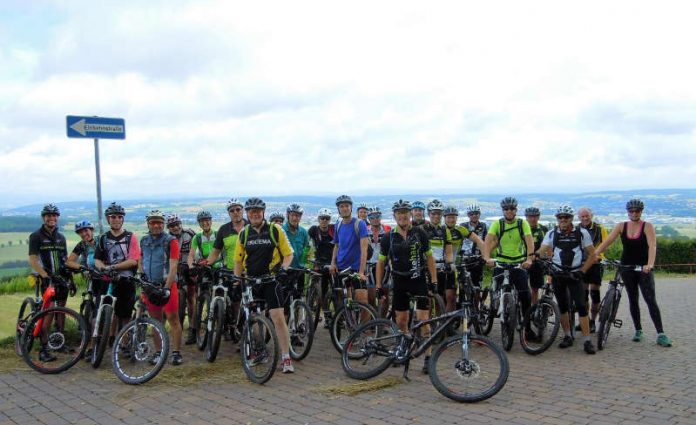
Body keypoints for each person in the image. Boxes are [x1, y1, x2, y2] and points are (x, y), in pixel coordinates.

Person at [595, 199, 672, 347]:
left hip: (643, 268)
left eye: (637, 211)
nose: (634, 213)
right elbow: (608, 241)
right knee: (633, 298)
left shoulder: (647, 226)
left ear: (641, 212)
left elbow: (652, 245)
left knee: (650, 300)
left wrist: (650, 264)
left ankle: (661, 333)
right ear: (627, 212)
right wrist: (597, 253)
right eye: (631, 211)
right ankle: (638, 330)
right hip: (627, 266)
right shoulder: (621, 226)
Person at [375, 200, 438, 374]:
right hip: (399, 281)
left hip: (418, 280)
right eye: (399, 212)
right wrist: (379, 285)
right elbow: (381, 263)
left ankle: (428, 357)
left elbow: (430, 258)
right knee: (401, 321)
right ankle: (403, 349)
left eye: (405, 212)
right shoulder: (388, 237)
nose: (402, 215)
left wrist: (434, 281)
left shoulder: (420, 233)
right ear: (394, 215)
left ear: (410, 214)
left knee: (423, 320)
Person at [234, 198, 296, 372]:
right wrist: (237, 280)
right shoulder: (244, 233)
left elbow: (288, 254)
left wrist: (284, 269)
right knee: (253, 318)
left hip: (271, 280)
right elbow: (238, 260)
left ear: (263, 212)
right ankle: (260, 351)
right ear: (247, 213)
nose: (254, 214)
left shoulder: (274, 230)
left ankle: (285, 357)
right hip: (252, 281)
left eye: (258, 211)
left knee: (278, 317)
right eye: (251, 211)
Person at [538, 205, 597, 354]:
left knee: (582, 307)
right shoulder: (552, 234)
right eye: (560, 217)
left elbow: (593, 255)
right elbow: (542, 249)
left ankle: (587, 340)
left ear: (571, 219)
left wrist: (582, 271)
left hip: (574, 274)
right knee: (563, 307)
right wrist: (533, 256)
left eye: (566, 217)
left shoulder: (582, 233)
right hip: (558, 274)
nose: (563, 220)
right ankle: (567, 336)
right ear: (557, 219)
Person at [483, 197, 535, 340]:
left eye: (512, 208)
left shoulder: (522, 223)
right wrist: (487, 257)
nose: (509, 211)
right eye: (506, 209)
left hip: (518, 263)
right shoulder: (497, 224)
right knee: (495, 292)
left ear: (516, 210)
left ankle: (527, 328)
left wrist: (529, 259)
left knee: (526, 296)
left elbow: (529, 242)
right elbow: (488, 241)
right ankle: (494, 308)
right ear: (503, 210)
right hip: (501, 262)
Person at [28, 204, 73, 362]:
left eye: (54, 215)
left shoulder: (61, 237)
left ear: (57, 217)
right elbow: (33, 259)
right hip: (47, 279)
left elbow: (65, 259)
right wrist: (44, 275)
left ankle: (59, 341)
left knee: (61, 311)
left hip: (61, 278)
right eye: (48, 215)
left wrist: (71, 278)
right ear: (43, 217)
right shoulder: (36, 236)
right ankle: (43, 348)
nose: (51, 218)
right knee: (48, 312)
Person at [139, 210, 184, 365]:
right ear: (148, 224)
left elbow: (173, 267)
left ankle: (177, 352)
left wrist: (167, 288)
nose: (156, 225)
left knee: (173, 319)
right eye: (153, 222)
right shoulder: (144, 240)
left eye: (159, 222)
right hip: (150, 286)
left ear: (163, 224)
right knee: (155, 321)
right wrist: (142, 275)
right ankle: (159, 352)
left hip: (167, 285)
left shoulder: (171, 241)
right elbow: (141, 259)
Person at [95, 202, 140, 335]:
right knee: (107, 311)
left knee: (125, 314)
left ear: (123, 219)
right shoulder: (103, 238)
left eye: (119, 217)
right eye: (113, 217)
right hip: (108, 279)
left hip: (126, 279)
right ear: (108, 219)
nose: (116, 220)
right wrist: (102, 268)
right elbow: (97, 259)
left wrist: (112, 266)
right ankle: (109, 338)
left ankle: (125, 343)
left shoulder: (130, 237)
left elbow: (133, 260)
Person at [330, 195, 370, 319]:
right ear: (338, 209)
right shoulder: (338, 225)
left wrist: (362, 272)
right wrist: (333, 263)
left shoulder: (359, 224)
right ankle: (350, 325)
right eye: (341, 206)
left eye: (347, 206)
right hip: (342, 267)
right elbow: (336, 245)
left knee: (362, 300)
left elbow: (364, 249)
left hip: (356, 268)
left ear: (351, 207)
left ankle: (367, 331)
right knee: (346, 301)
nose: (344, 208)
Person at [66, 220, 101, 359]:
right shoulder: (82, 245)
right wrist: (82, 268)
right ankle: (90, 345)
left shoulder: (101, 241)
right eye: (81, 232)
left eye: (86, 230)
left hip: (105, 278)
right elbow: (69, 261)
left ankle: (105, 340)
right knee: (91, 312)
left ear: (91, 230)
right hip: (92, 279)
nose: (84, 233)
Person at [167, 213, 197, 345]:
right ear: (169, 227)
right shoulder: (166, 239)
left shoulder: (190, 234)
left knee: (191, 299)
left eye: (177, 224)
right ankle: (177, 330)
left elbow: (197, 249)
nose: (175, 227)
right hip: (174, 270)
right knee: (176, 301)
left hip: (189, 269)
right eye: (172, 225)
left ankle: (192, 329)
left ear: (181, 223)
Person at [577, 207, 608, 333]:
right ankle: (585, 320)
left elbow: (605, 244)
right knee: (583, 295)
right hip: (581, 264)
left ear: (591, 215)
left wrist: (597, 255)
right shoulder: (576, 229)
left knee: (595, 294)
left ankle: (593, 321)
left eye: (587, 216)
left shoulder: (600, 228)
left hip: (595, 264)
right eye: (582, 216)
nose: (585, 218)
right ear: (578, 217)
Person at [422, 200, 455, 312]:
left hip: (440, 268)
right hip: (426, 268)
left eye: (439, 213)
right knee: (427, 298)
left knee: (440, 297)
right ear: (429, 214)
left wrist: (449, 264)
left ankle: (439, 323)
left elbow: (449, 252)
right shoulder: (422, 229)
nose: (436, 216)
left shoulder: (445, 230)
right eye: (433, 213)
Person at [308, 208, 335, 327]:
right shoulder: (313, 230)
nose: (324, 220)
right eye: (322, 218)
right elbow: (306, 245)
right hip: (318, 263)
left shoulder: (334, 230)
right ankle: (325, 314)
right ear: (318, 219)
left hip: (332, 263)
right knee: (320, 290)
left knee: (336, 290)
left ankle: (337, 316)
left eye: (327, 218)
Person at [205, 198, 247, 269]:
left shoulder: (251, 226)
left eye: (238, 209)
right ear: (229, 213)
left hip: (250, 273)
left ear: (243, 210)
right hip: (231, 273)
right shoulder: (223, 229)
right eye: (232, 211)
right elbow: (215, 252)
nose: (235, 212)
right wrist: (204, 265)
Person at [366, 207, 391, 310]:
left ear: (380, 217)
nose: (375, 219)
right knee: (371, 297)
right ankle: (374, 318)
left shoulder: (387, 230)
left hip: (384, 265)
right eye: (372, 217)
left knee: (385, 296)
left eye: (377, 216)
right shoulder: (365, 231)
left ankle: (383, 322)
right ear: (369, 218)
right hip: (369, 265)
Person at [461, 204, 488, 297]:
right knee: (462, 286)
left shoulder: (483, 226)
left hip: (478, 259)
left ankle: (476, 307)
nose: (474, 215)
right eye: (471, 214)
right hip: (464, 259)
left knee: (477, 287)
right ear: (468, 215)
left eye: (476, 213)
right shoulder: (463, 226)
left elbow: (486, 242)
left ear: (479, 214)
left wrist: (485, 256)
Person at [283, 203, 310, 293]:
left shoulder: (303, 232)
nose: (295, 218)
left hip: (299, 270)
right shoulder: (281, 230)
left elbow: (306, 249)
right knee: (285, 296)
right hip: (285, 270)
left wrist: (303, 264)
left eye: (297, 216)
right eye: (292, 215)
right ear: (288, 215)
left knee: (299, 294)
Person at [524, 207, 548, 305]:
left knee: (535, 289)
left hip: (537, 261)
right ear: (526, 217)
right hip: (523, 261)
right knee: (523, 288)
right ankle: (523, 309)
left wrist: (538, 255)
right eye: (530, 216)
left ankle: (533, 310)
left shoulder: (543, 229)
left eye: (535, 216)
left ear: (538, 217)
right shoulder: (522, 229)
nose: (533, 219)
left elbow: (546, 245)